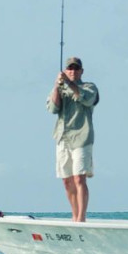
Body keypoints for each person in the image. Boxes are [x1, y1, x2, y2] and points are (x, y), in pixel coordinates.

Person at [46, 57, 99, 222]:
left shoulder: (89, 87)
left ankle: (81, 218)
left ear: (81, 71)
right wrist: (57, 85)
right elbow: (53, 108)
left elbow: (85, 98)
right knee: (67, 181)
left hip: (82, 137)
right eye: (70, 68)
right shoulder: (61, 87)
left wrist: (69, 84)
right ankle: (74, 215)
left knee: (79, 178)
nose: (73, 71)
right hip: (63, 137)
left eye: (76, 69)